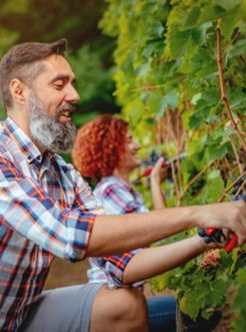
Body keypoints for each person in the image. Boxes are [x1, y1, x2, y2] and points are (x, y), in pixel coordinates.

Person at [0, 39, 246, 332]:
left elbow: (125, 265)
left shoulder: (63, 175)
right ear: (19, 91)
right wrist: (197, 211)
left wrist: (205, 236)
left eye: (72, 83)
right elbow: (67, 235)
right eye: (60, 84)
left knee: (124, 302)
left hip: (13, 318)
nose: (75, 95)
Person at [71, 115, 222, 331]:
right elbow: (159, 235)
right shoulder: (111, 192)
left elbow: (161, 229)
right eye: (130, 140)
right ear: (113, 148)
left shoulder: (120, 191)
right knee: (200, 314)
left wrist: (154, 183)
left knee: (197, 312)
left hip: (125, 301)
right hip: (116, 308)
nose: (138, 145)